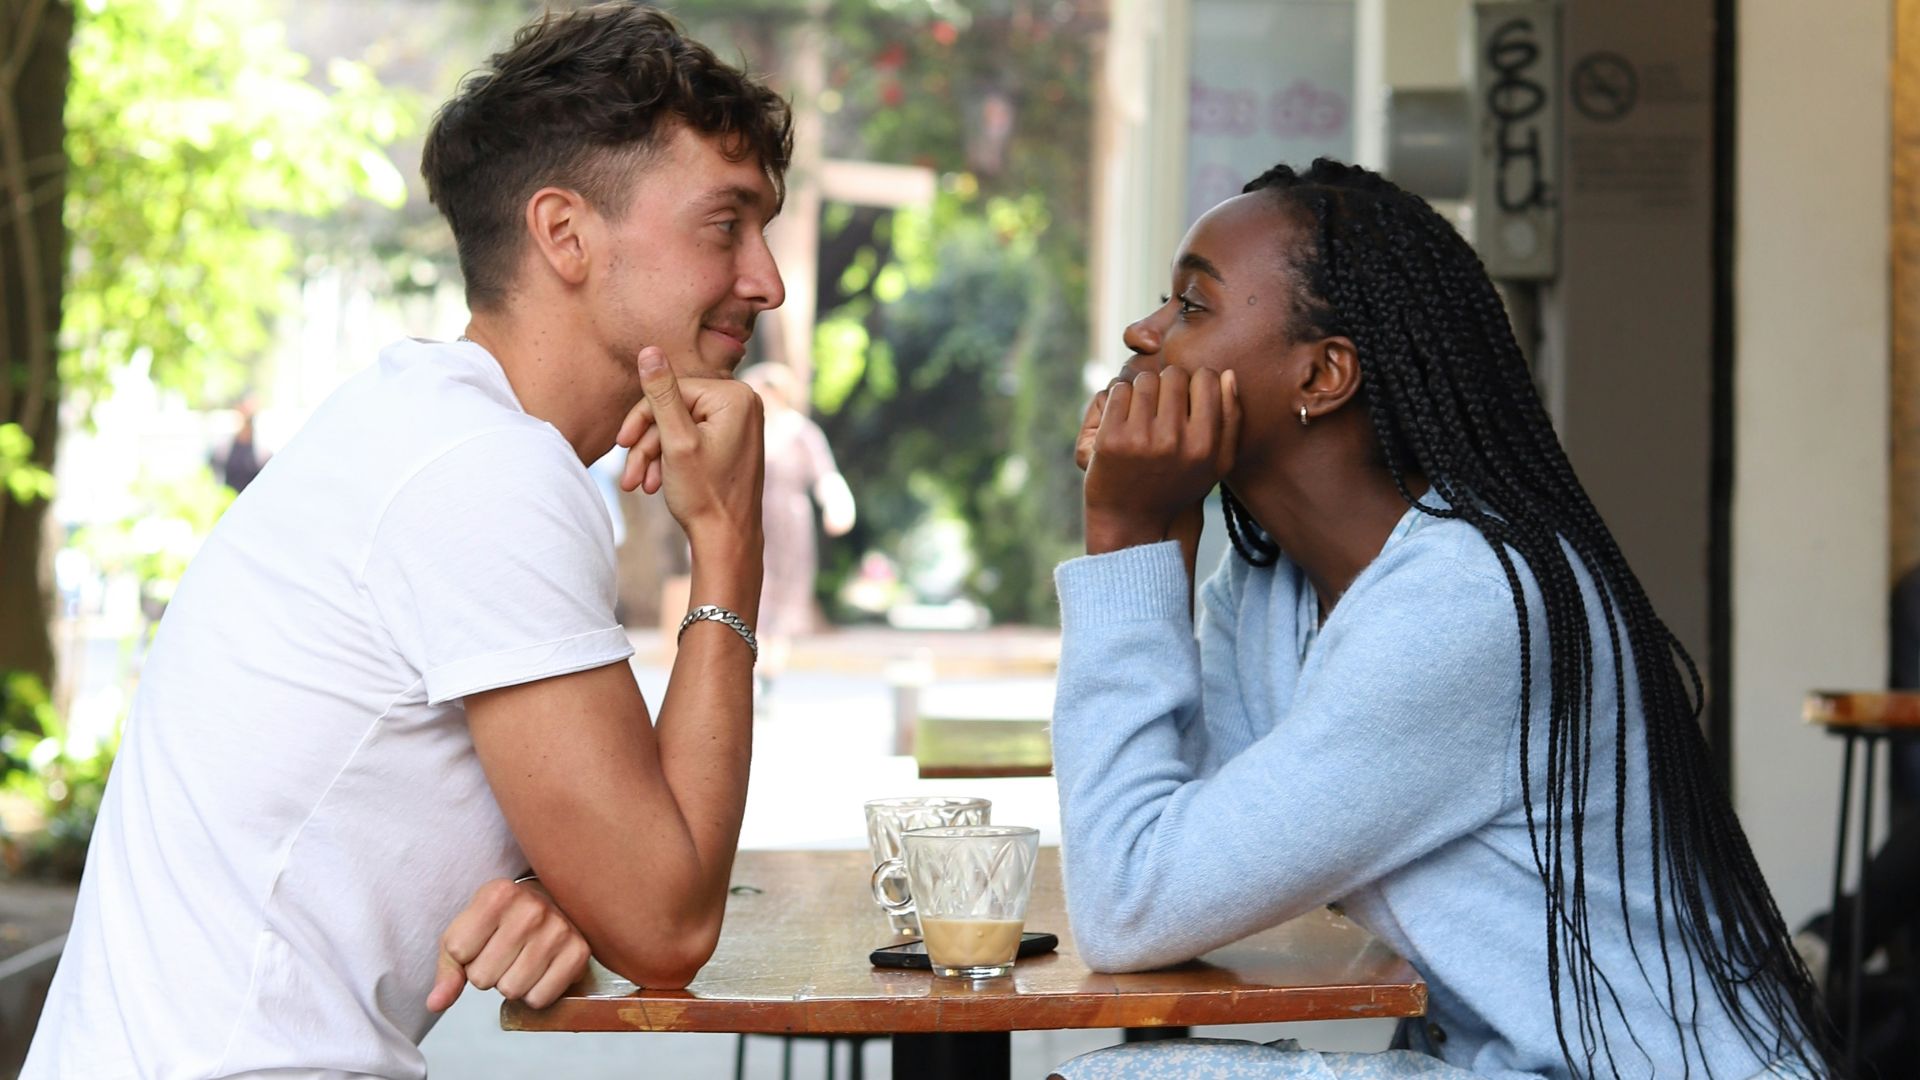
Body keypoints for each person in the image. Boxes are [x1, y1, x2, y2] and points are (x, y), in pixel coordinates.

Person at [25, 6, 788, 1077]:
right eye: (727, 224)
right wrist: (730, 549)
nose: (768, 280)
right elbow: (668, 924)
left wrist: (558, 886)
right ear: (564, 234)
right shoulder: (484, 471)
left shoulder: (435, 429)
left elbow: (629, 892)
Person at [1047, 160, 1833, 1078]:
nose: (1144, 334)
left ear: (1325, 372)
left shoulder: (1467, 603)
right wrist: (1161, 547)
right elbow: (1171, 855)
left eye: (1192, 306)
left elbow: (1128, 903)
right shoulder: (1269, 590)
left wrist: (1129, 531)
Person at [740, 362, 855, 688]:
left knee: (784, 599)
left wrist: (837, 505)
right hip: (750, 521)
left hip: (790, 524)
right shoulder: (745, 428)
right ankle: (753, 669)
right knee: (752, 593)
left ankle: (770, 676)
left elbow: (826, 475)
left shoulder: (802, 431)